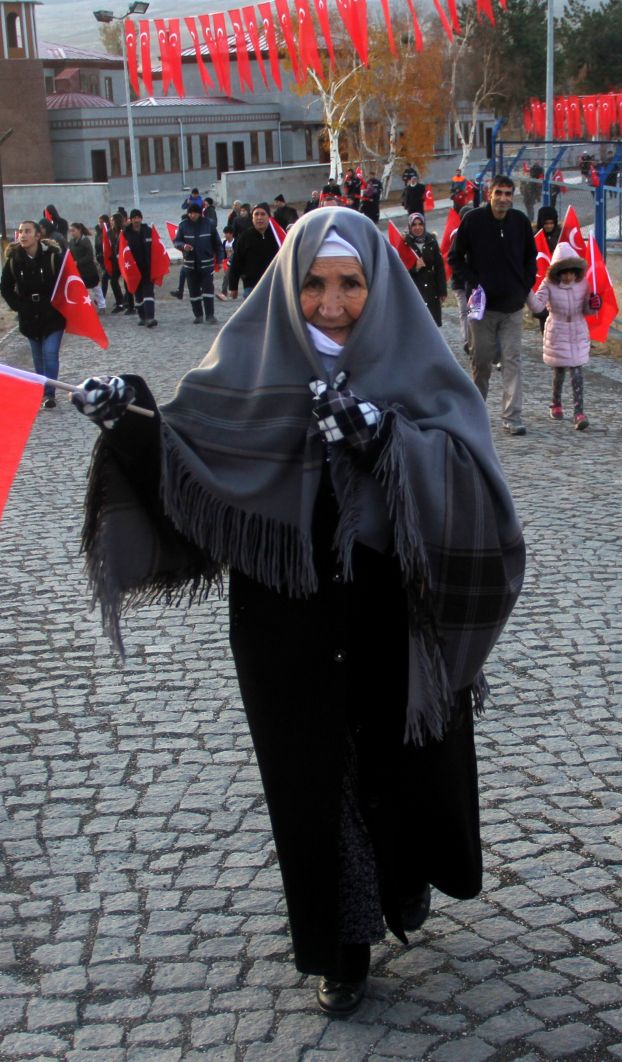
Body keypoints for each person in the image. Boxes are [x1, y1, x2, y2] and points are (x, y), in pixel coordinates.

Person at [71, 206, 524, 1018]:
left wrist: (385, 440)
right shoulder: (253, 361)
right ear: (287, 285)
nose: (332, 304)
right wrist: (129, 421)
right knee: (312, 781)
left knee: (399, 762)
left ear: (379, 285)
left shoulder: (416, 359)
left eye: (350, 283)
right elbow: (191, 466)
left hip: (392, 613)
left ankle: (404, 878)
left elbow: (474, 483)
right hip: (284, 619)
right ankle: (340, 948)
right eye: (314, 283)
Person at [446, 175, 535, 435]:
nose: (503, 199)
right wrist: (474, 283)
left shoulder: (520, 222)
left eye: (508, 193)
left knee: (512, 360)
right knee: (481, 361)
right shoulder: (473, 221)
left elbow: (531, 258)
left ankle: (512, 417)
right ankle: (475, 413)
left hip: (512, 307)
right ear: (489, 194)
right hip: (481, 307)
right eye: (499, 193)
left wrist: (524, 286)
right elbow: (454, 257)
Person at [526, 243, 597, 431]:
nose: (568, 276)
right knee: (559, 371)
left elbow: (587, 310)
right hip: (558, 330)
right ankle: (556, 402)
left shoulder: (583, 284)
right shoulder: (548, 285)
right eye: (564, 272)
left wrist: (594, 304)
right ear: (557, 272)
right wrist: (527, 290)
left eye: (571, 272)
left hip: (577, 330)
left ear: (576, 271)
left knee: (577, 372)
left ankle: (579, 413)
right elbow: (537, 306)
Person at [0, 220, 68, 409]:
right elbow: (5, 287)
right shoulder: (14, 261)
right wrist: (18, 306)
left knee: (50, 353)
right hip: (29, 315)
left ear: (37, 236)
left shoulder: (52, 257)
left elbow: (67, 281)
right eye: (21, 231)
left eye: (27, 231)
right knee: (38, 357)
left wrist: (61, 304)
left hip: (52, 314)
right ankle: (43, 389)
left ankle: (49, 393)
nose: (23, 235)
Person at [175, 201, 223, 324]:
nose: (192, 215)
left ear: (200, 213)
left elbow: (217, 244)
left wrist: (219, 260)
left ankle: (210, 315)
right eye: (190, 213)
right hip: (190, 265)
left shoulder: (209, 224)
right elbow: (177, 241)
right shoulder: (183, 225)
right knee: (194, 292)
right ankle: (198, 315)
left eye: (195, 213)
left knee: (208, 290)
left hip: (206, 264)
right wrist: (183, 246)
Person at [226, 205, 278, 300]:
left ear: (269, 217)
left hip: (274, 284)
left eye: (263, 214)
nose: (259, 217)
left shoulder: (276, 236)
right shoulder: (245, 237)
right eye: (256, 214)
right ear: (252, 218)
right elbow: (236, 262)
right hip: (251, 286)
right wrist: (233, 286)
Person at [402, 213, 445, 327]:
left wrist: (442, 290)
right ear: (410, 226)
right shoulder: (405, 243)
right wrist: (415, 268)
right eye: (414, 225)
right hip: (414, 289)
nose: (417, 227)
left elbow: (439, 266)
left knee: (432, 324)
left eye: (420, 224)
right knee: (417, 324)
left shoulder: (431, 240)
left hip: (431, 289)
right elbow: (401, 271)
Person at [123, 209, 158, 328]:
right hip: (133, 270)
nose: (136, 220)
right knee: (138, 295)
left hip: (147, 269)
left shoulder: (148, 231)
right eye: (134, 218)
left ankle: (150, 317)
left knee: (149, 293)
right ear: (131, 220)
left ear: (141, 218)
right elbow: (121, 251)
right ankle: (142, 317)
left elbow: (156, 247)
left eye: (138, 218)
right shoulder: (125, 234)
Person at [67, 222, 106, 309]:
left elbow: (89, 256)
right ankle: (83, 307)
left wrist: (78, 262)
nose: (72, 233)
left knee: (96, 288)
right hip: (78, 271)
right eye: (70, 231)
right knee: (80, 289)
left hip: (89, 270)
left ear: (79, 230)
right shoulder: (71, 242)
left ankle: (102, 305)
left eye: (73, 230)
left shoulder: (85, 241)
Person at [101, 213, 128, 313]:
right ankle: (120, 302)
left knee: (126, 281)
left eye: (113, 220)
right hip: (115, 261)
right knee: (113, 281)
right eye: (110, 220)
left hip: (124, 259)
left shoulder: (125, 231)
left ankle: (128, 302)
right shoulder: (109, 233)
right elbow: (108, 247)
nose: (111, 222)